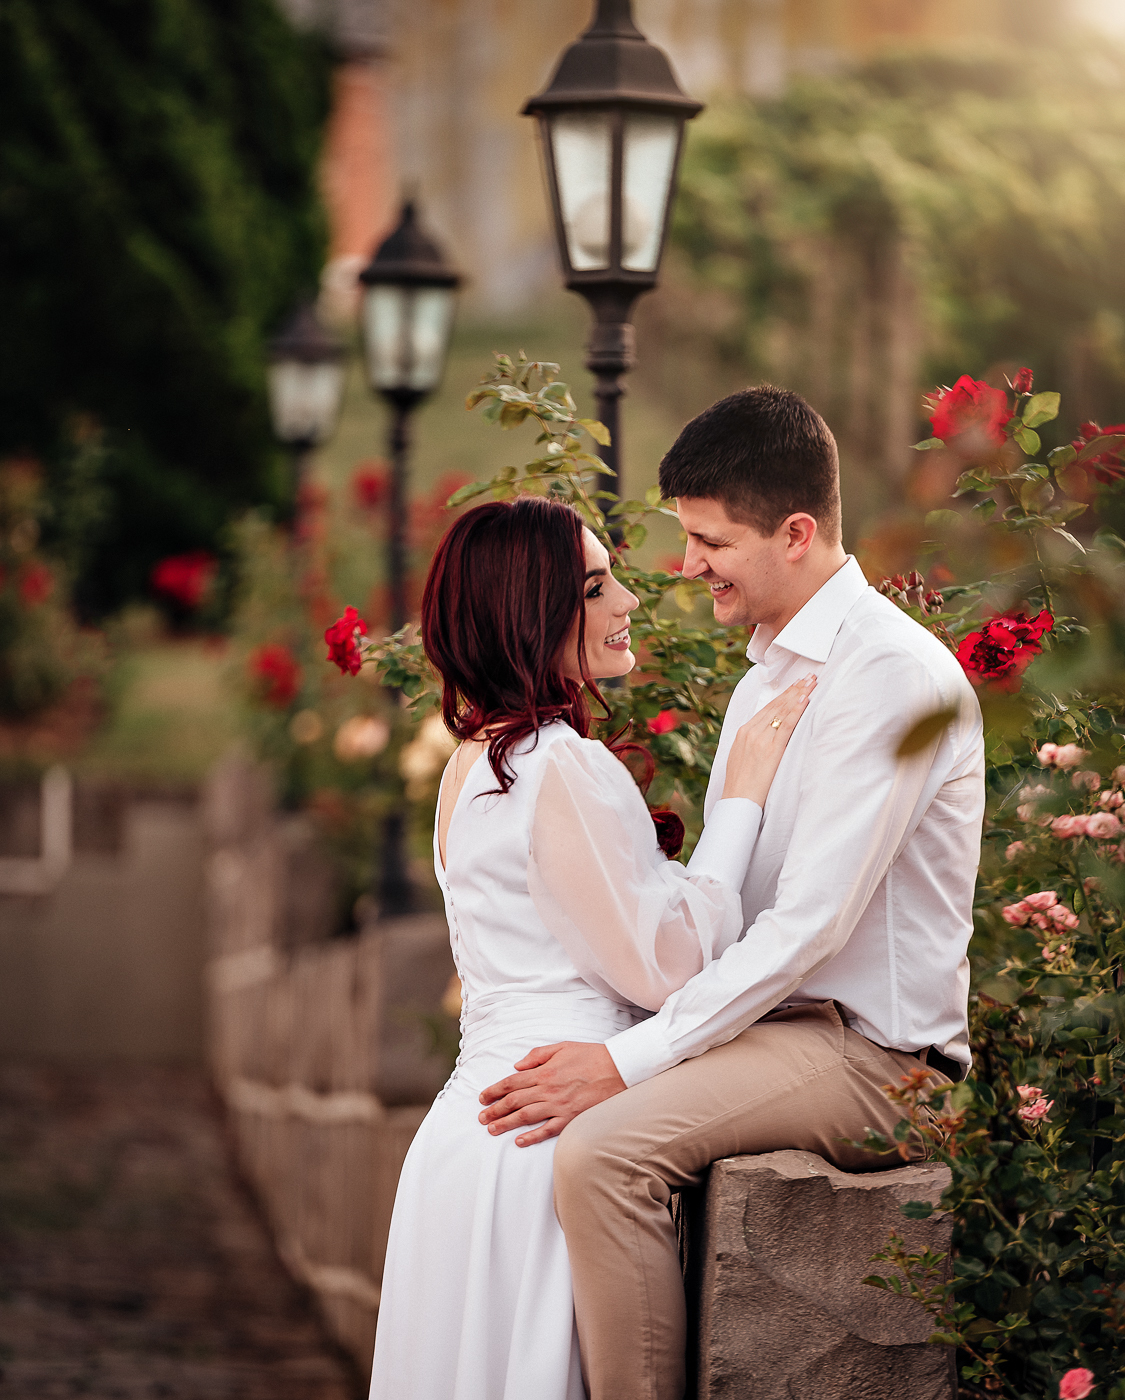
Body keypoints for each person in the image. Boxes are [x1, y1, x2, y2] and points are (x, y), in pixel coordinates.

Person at [478, 387, 987, 1400]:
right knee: (533, 1133)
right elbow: (728, 900)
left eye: (710, 540)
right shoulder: (767, 677)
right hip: (784, 1034)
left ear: (796, 533)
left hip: (881, 1060)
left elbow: (806, 929)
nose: (684, 565)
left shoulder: (888, 675)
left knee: (600, 1154)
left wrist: (621, 1062)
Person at [367, 494, 815, 1400]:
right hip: (539, 1140)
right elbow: (671, 966)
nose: (629, 605)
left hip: (467, 1142)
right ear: (534, 614)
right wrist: (742, 801)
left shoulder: (471, 762)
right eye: (597, 586)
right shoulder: (558, 762)